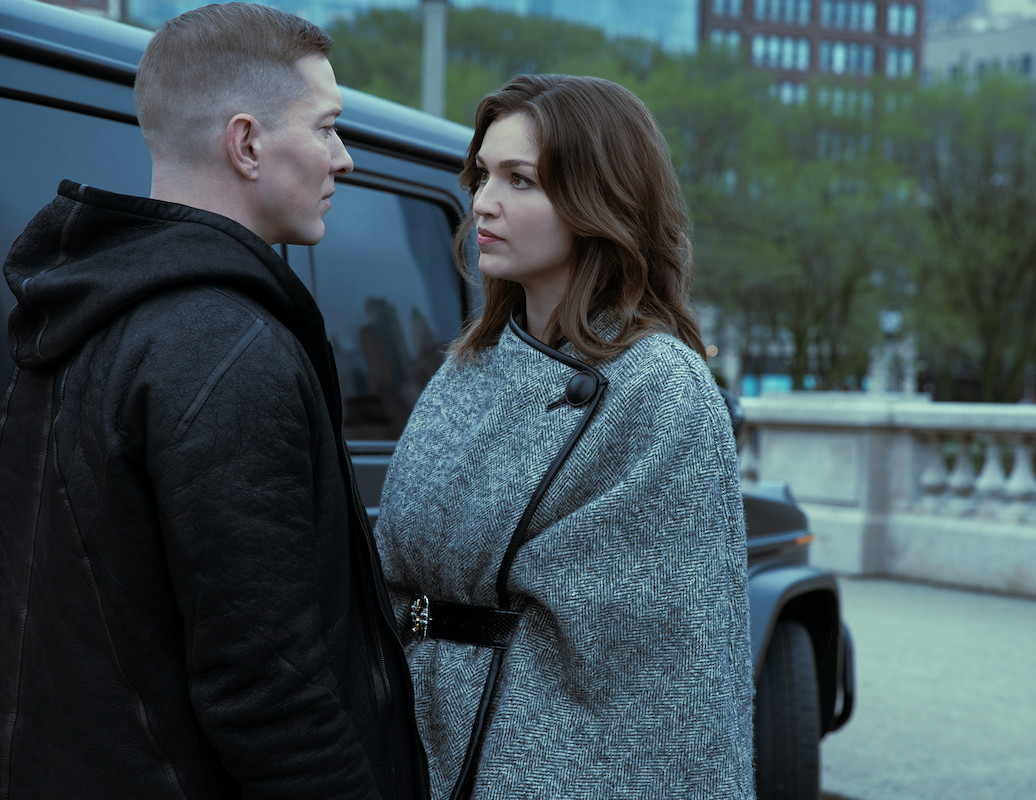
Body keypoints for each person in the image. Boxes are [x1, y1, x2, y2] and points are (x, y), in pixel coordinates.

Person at [0, 4, 426, 798]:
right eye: (328, 126)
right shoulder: (225, 350)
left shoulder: (79, 311)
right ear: (247, 143)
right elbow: (270, 692)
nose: (346, 160)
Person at [374, 74, 755, 799]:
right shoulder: (469, 364)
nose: (483, 202)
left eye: (521, 181)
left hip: (550, 768)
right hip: (411, 744)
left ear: (597, 201)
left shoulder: (659, 384)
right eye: (483, 175)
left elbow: (665, 667)